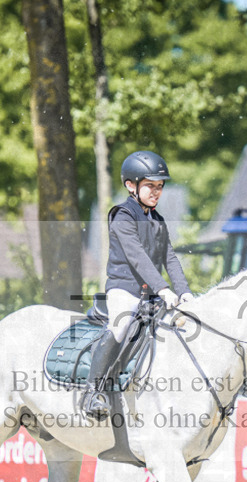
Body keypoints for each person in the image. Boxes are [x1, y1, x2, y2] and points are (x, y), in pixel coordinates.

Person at [81, 150, 194, 418]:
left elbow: (170, 258)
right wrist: (163, 289)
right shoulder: (122, 216)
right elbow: (137, 257)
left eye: (160, 186)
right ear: (131, 185)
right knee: (121, 326)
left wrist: (184, 292)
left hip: (151, 295)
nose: (156, 192)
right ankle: (92, 392)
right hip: (125, 290)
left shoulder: (157, 220)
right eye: (150, 186)